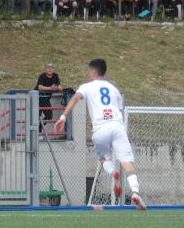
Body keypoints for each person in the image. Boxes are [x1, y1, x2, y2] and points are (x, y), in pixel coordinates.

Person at [54, 58, 146, 210]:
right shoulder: (114, 90)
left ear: (93, 72)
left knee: (103, 159)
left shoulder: (87, 87)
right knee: (127, 161)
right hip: (117, 126)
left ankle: (113, 173)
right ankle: (135, 192)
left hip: (100, 129)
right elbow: (118, 112)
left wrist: (63, 117)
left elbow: (75, 98)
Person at [35, 63, 61, 132]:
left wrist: (55, 88)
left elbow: (59, 87)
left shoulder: (55, 76)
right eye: (48, 68)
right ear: (45, 69)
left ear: (53, 69)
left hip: (46, 99)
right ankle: (37, 134)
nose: (50, 69)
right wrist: (51, 88)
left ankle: (39, 129)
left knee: (49, 116)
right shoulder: (42, 76)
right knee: (36, 117)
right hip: (37, 98)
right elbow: (40, 87)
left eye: (51, 68)